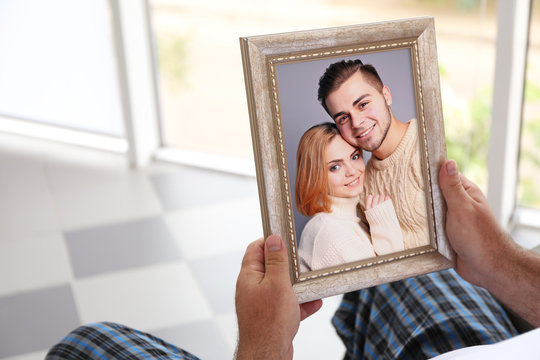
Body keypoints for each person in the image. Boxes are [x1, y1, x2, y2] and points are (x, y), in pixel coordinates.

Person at [46, 160, 540, 359]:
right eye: (335, 164)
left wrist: (266, 342)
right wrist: (497, 259)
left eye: (353, 160)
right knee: (406, 274)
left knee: (85, 344)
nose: (352, 172)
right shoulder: (332, 229)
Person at [318, 59, 429, 250]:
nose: (357, 122)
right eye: (343, 118)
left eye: (362, 104)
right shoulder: (359, 184)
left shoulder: (428, 145)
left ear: (386, 95)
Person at [295, 122, 404, 272]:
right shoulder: (329, 230)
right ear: (314, 176)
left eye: (355, 156)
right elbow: (387, 281)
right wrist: (384, 226)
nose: (352, 171)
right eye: (335, 167)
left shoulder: (346, 222)